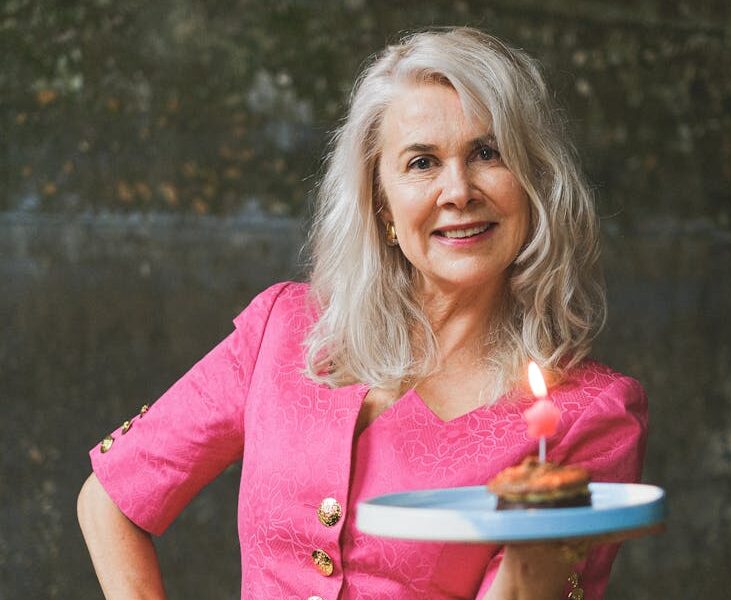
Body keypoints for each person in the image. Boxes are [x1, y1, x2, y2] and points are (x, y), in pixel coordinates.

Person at [77, 27, 647, 600]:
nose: (458, 190)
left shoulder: (590, 416)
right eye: (422, 162)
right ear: (383, 204)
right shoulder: (284, 328)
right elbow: (110, 501)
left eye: (487, 153)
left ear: (534, 181)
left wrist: (538, 545)